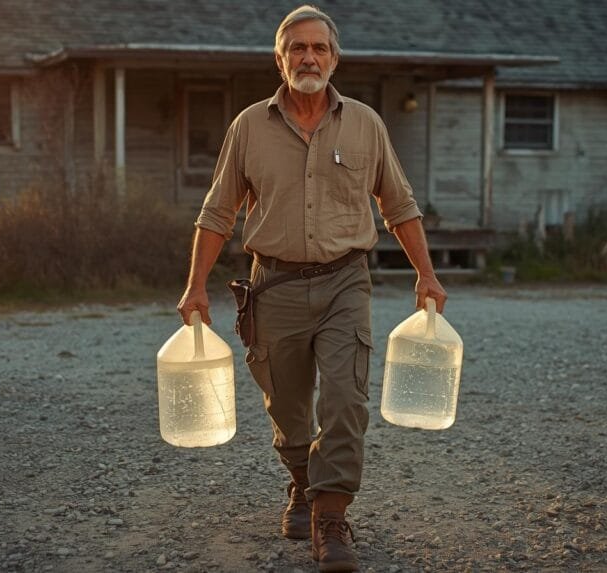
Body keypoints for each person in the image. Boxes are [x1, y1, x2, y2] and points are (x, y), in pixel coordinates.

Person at [177, 5, 447, 571]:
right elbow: (217, 210)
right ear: (280, 60)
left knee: (346, 401)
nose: (308, 57)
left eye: (319, 48)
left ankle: (330, 518)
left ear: (334, 58)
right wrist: (195, 286)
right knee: (289, 411)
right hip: (271, 285)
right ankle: (303, 484)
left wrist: (426, 273)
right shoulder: (249, 126)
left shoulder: (366, 123)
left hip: (346, 280)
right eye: (297, 48)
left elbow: (397, 204)